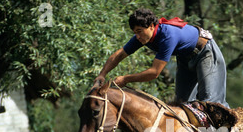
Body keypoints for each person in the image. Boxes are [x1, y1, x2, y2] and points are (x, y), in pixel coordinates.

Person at [93, 8, 229, 108]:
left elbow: (154, 72)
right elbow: (120, 54)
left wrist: (125, 79)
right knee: (182, 105)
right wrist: (102, 74)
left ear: (152, 26)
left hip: (205, 53)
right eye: (135, 33)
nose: (137, 36)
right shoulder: (141, 37)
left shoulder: (167, 36)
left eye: (139, 31)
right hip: (184, 58)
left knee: (211, 105)